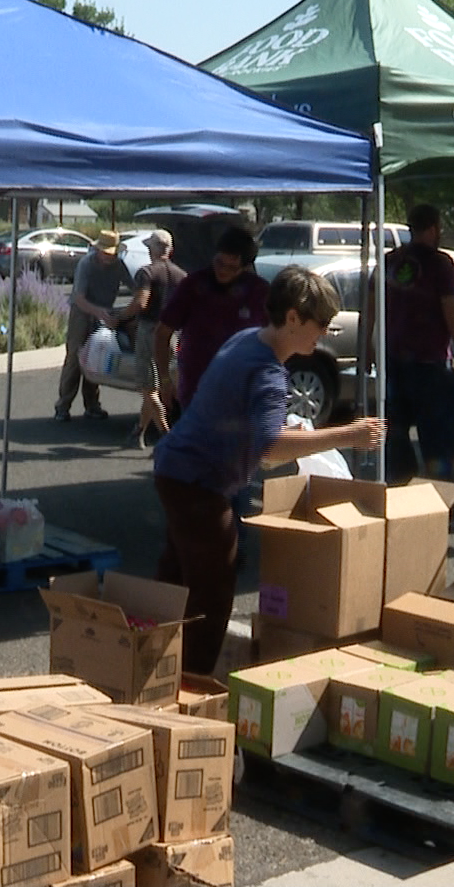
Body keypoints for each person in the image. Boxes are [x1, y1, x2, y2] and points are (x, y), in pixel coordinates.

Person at [151, 265, 388, 675]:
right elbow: (272, 448)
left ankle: (149, 664)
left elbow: (251, 423)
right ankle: (192, 685)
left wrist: (285, 430)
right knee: (212, 588)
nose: (323, 334)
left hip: (177, 469)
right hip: (197, 482)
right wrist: (347, 435)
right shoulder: (268, 372)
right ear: (293, 317)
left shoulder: (248, 341)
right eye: (321, 325)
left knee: (177, 580)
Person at [367, 204, 454, 483]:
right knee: (438, 437)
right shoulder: (440, 264)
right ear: (435, 228)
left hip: (394, 361)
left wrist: (367, 349)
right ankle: (436, 492)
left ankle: (401, 488)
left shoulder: (389, 261)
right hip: (430, 364)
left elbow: (370, 307)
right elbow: (453, 313)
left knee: (396, 432)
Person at [153, 226, 269, 416]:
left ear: (246, 267)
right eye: (219, 263)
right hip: (196, 390)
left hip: (242, 393)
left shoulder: (259, 292)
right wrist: (165, 379)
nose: (223, 271)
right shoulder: (193, 285)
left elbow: (275, 339)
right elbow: (162, 333)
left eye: (232, 268)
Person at [53, 229, 133, 422]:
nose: (108, 257)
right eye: (105, 252)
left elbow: (134, 287)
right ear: (98, 250)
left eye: (111, 254)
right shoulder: (86, 264)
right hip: (82, 312)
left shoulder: (119, 265)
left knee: (96, 357)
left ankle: (92, 405)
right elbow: (79, 299)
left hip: (104, 312)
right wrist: (101, 314)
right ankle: (63, 406)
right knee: (74, 357)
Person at [117, 228, 185, 448]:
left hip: (149, 332)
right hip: (172, 333)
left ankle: (168, 436)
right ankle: (140, 430)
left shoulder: (146, 273)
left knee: (149, 387)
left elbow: (140, 303)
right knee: (162, 381)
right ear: (170, 250)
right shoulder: (181, 276)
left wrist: (119, 317)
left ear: (153, 249)